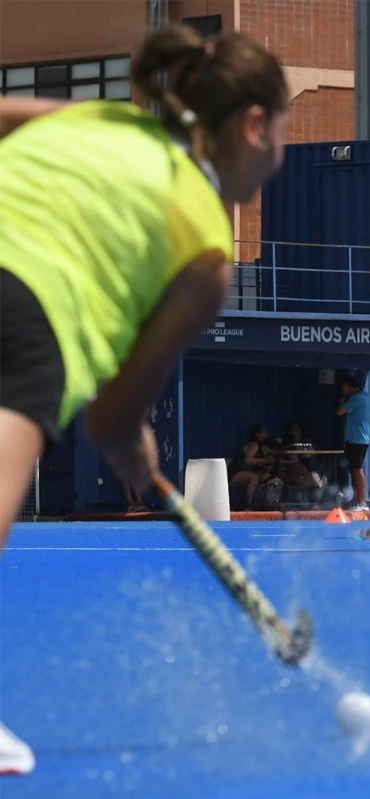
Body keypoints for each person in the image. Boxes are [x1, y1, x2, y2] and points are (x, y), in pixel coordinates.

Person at [0, 24, 289, 777]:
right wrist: (131, 436)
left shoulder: (105, 120)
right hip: (26, 308)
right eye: (283, 130)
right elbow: (107, 418)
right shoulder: (204, 250)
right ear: (253, 126)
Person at [336, 375, 370, 511]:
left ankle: (362, 501)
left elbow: (339, 411)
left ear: (348, 387)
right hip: (352, 439)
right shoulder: (364, 396)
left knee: (357, 469)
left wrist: (343, 396)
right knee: (352, 469)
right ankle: (356, 499)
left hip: (358, 439)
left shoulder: (357, 398)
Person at [229, 424, 276, 508]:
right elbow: (248, 460)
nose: (266, 433)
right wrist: (265, 460)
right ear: (257, 434)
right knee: (254, 477)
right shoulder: (254, 444)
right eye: (264, 431)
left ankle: (266, 503)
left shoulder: (263, 447)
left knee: (267, 477)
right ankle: (251, 505)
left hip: (251, 471)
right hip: (236, 472)